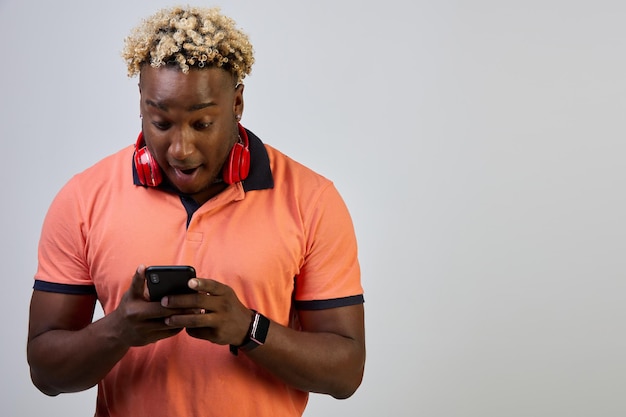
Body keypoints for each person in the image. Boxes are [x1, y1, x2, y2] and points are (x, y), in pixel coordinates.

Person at [26, 6, 365, 417]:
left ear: (237, 102)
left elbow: (346, 372)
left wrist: (247, 328)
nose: (181, 149)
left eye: (202, 123)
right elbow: (45, 373)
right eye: (161, 122)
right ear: (141, 104)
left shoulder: (312, 200)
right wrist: (119, 330)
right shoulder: (83, 198)